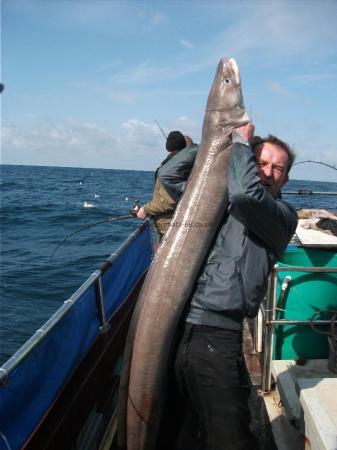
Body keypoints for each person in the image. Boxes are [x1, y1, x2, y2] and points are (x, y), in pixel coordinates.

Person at [172, 123, 298, 450]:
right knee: (187, 428)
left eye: (278, 168)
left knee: (231, 437)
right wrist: (215, 142)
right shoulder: (224, 205)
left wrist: (241, 145)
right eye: (261, 162)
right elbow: (170, 178)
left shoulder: (282, 216)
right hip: (180, 327)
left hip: (217, 334)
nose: (268, 172)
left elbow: (246, 194)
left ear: (285, 179)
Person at [137, 131, 198, 241]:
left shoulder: (167, 171)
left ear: (168, 148)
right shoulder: (191, 168)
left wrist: (145, 209)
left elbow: (168, 202)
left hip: (169, 227)